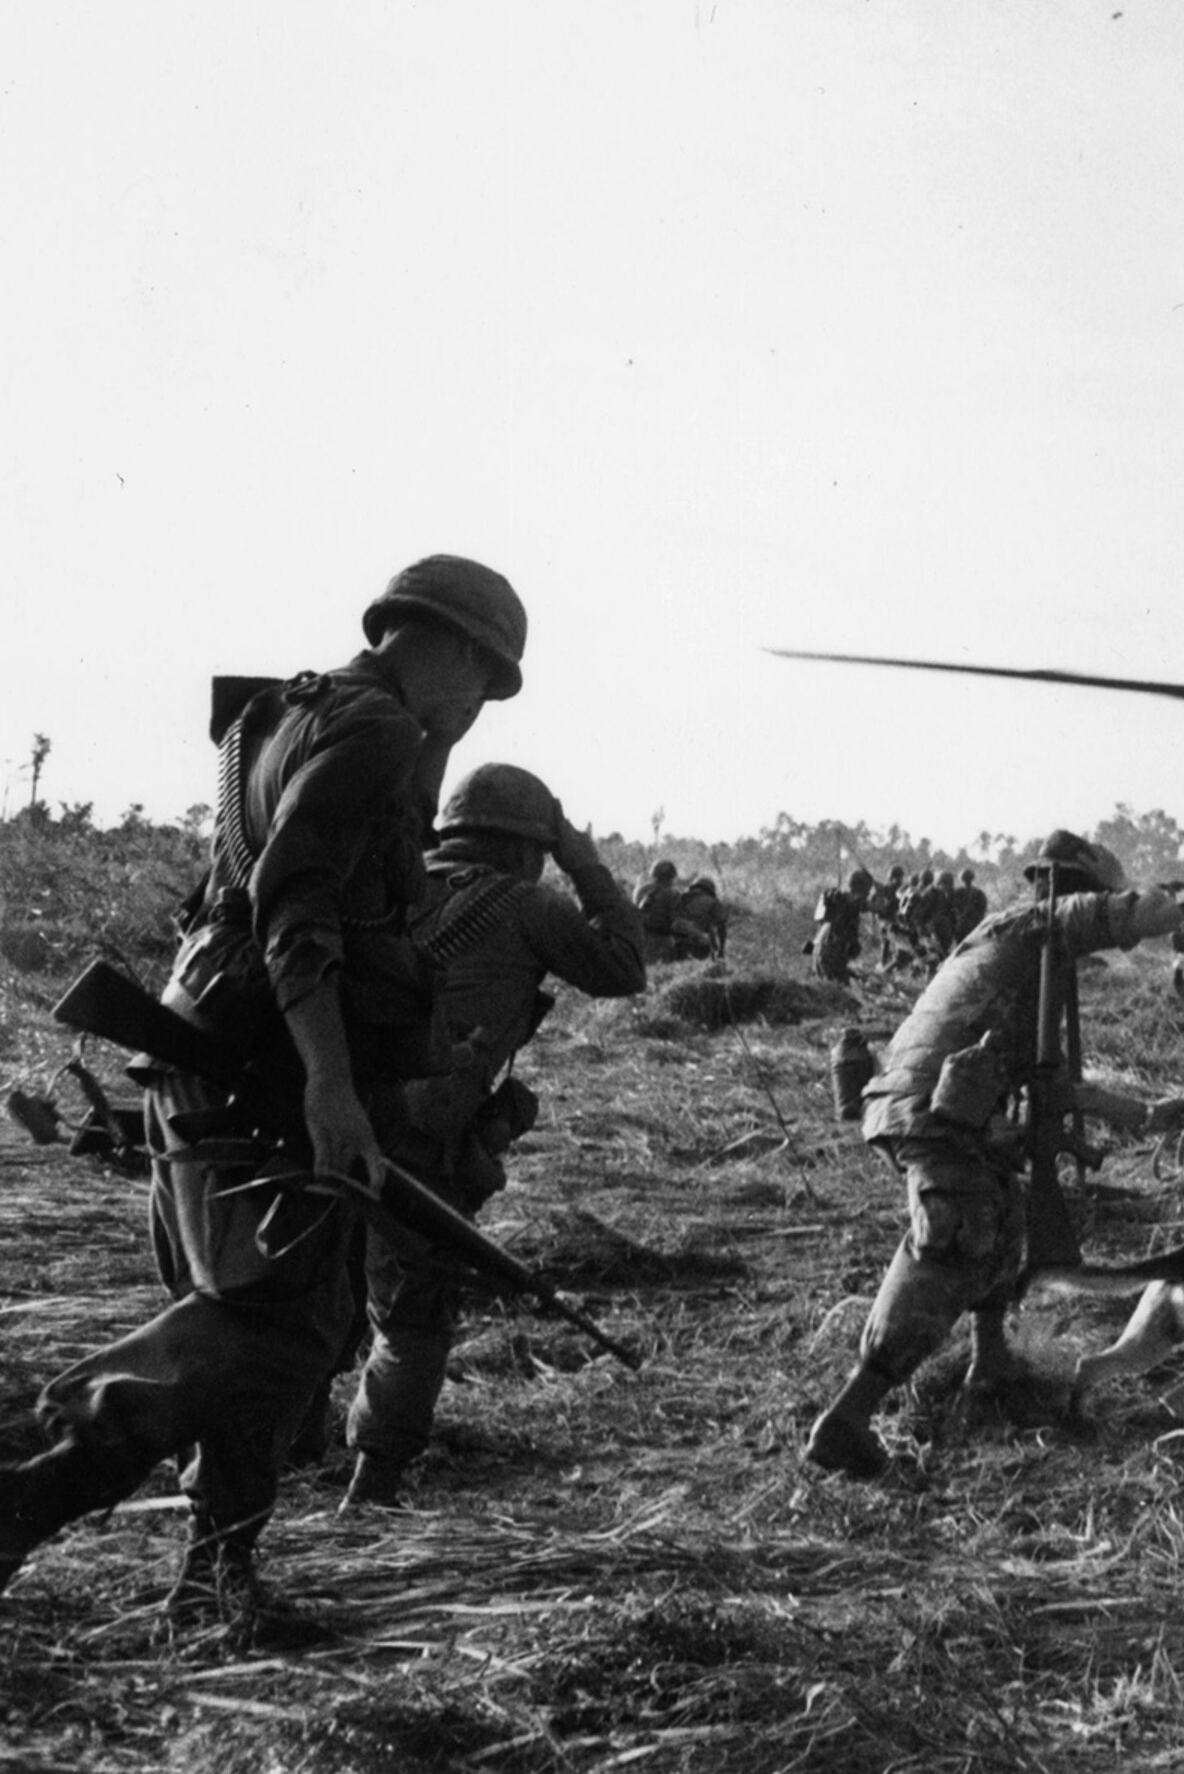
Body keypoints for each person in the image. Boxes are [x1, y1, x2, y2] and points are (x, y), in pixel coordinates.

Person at [0, 555, 525, 1632]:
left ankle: (216, 1581)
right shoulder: (377, 727)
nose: (474, 711)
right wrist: (333, 1084)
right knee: (279, 1329)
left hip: (211, 1041)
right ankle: (31, 1486)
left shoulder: (277, 712)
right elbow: (293, 901)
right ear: (454, 647)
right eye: (484, 683)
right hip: (272, 1064)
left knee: (286, 1319)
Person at [804, 831, 1184, 1477]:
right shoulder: (1041, 923)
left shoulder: (1027, 955)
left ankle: (990, 1360)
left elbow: (1059, 1086)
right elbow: (1139, 914)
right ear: (1076, 888)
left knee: (1003, 1211)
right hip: (931, 1107)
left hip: (936, 1104)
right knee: (958, 1237)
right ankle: (847, 1415)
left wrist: (1147, 1115)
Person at [341, 762, 646, 1508]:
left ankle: (297, 1442)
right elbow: (624, 968)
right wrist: (584, 860)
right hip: (414, 1136)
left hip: (333, 1110)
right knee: (417, 1311)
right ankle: (372, 1487)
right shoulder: (524, 903)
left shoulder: (384, 883)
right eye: (542, 851)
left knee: (334, 1290)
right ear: (523, 848)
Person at [810, 866, 870, 983]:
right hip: (830, 960)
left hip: (819, 956)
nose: (868, 894)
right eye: (867, 891)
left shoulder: (836, 900)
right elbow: (876, 907)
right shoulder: (852, 903)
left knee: (858, 979)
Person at [635, 860, 684, 959]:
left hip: (641, 943)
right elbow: (677, 923)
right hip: (663, 943)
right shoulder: (672, 894)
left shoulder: (640, 891)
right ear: (671, 877)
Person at [671, 873, 726, 959]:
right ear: (710, 890)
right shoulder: (713, 902)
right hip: (695, 941)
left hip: (671, 937)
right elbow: (721, 926)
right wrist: (721, 949)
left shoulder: (681, 897)